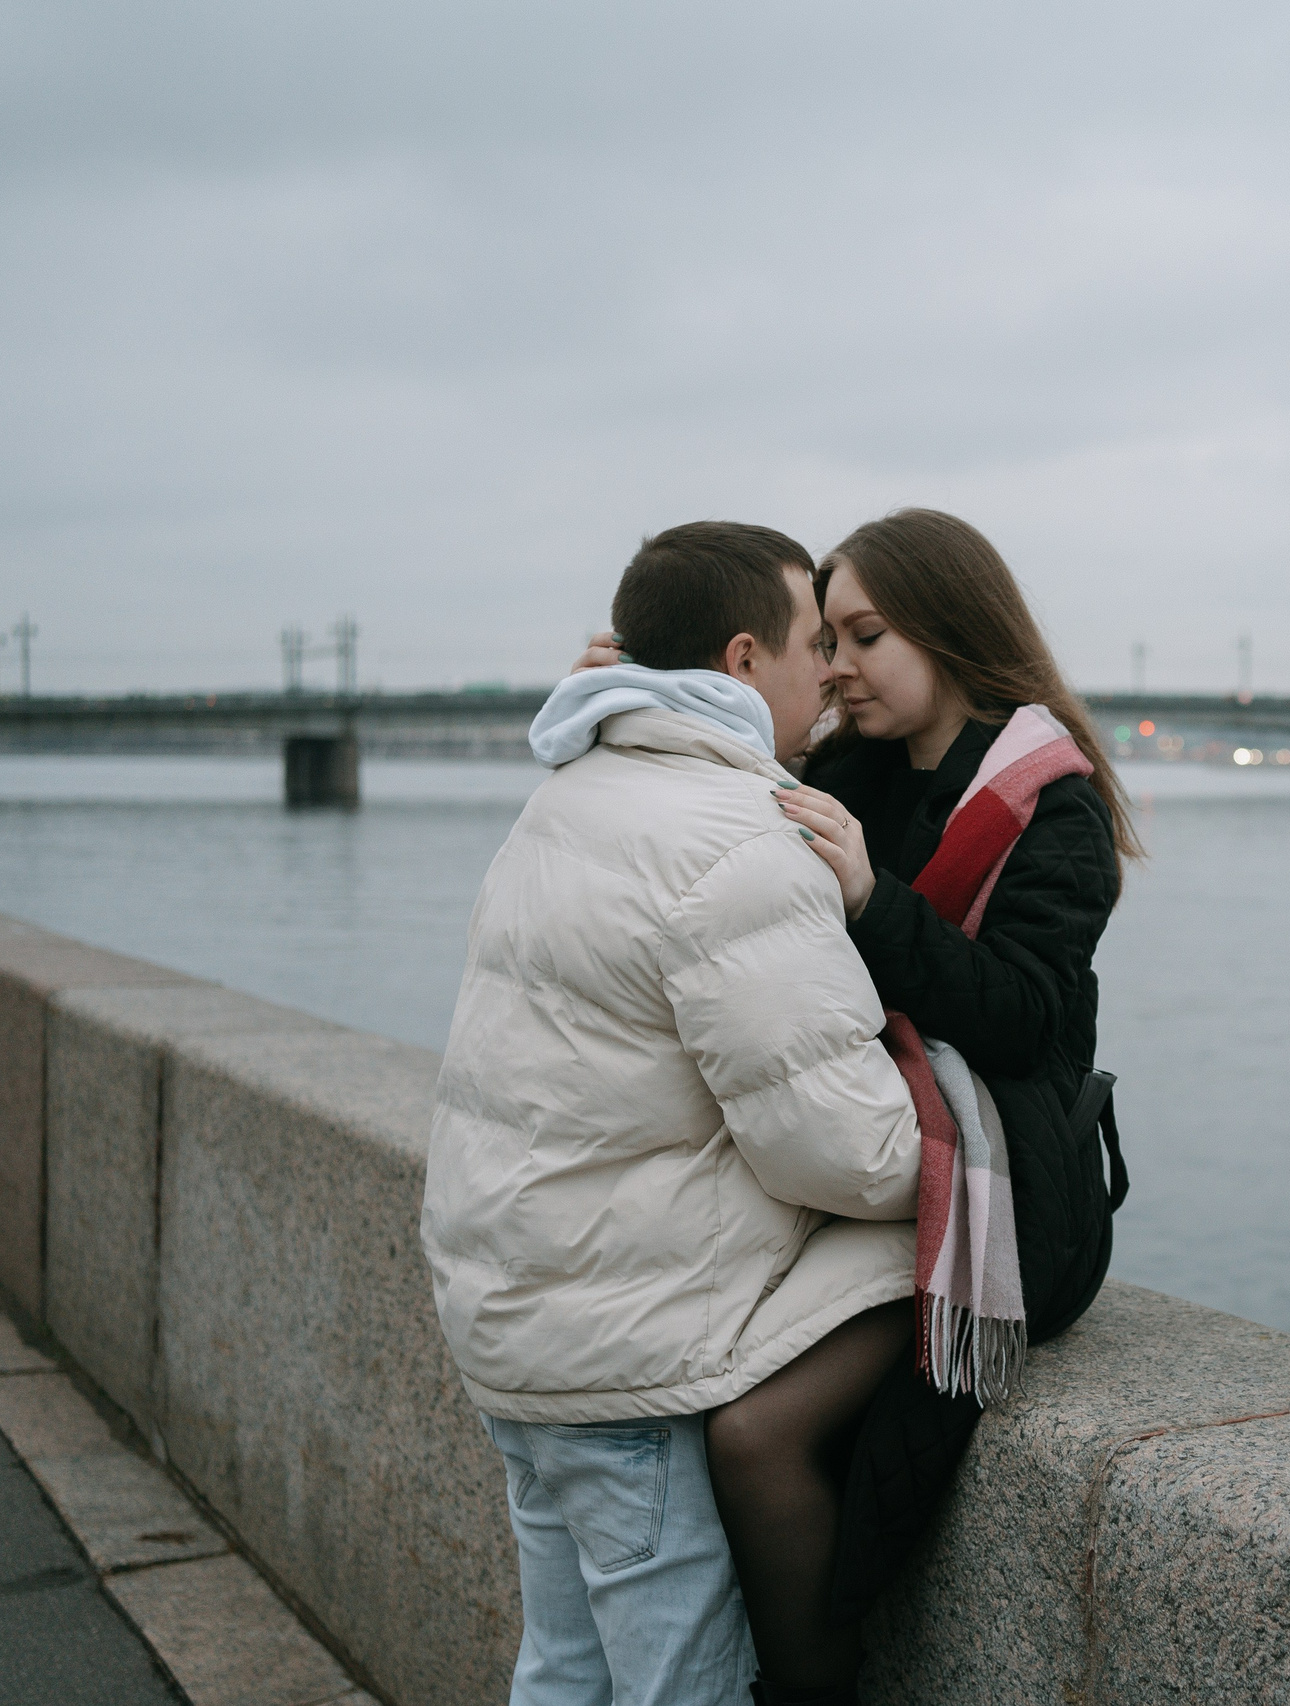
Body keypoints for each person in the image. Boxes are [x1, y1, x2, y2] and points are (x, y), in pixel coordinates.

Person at [568, 507, 1139, 1668]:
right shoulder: (843, 772)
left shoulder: (1050, 803)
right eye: (825, 639)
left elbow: (1026, 1018)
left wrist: (875, 901)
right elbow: (702, 808)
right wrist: (633, 694)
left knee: (756, 1432)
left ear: (950, 627)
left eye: (864, 636)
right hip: (869, 1155)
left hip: (1011, 1187)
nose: (834, 666)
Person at [425, 521, 923, 1706]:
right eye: (813, 644)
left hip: (511, 1322)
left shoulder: (567, 796)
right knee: (677, 1684)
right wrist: (963, 1147)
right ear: (744, 658)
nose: (830, 674)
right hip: (626, 1355)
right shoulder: (736, 834)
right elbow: (850, 1153)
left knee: (563, 1668)